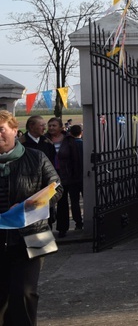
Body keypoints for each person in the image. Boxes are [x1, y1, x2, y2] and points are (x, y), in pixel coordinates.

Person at [0, 110, 62, 326]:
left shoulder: (36, 157)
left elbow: (57, 189)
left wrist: (30, 205)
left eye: (1, 130)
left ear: (15, 131)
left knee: (25, 292)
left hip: (34, 234)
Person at [45, 117, 84, 237]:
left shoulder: (69, 140)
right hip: (49, 176)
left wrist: (76, 174)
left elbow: (75, 158)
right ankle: (48, 227)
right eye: (49, 125)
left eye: (54, 125)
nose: (51, 128)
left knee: (63, 203)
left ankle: (62, 228)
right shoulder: (45, 139)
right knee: (48, 203)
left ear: (61, 127)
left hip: (66, 175)